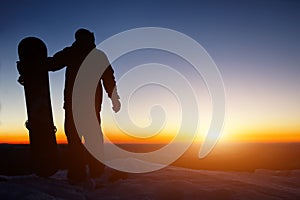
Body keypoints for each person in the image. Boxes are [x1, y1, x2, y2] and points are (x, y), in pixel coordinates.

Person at [49, 28, 121, 182]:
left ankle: (79, 173)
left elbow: (53, 64)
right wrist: (114, 99)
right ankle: (93, 172)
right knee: (90, 139)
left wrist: (31, 65)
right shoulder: (96, 55)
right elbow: (109, 78)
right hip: (86, 106)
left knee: (77, 140)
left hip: (76, 105)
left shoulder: (74, 53)